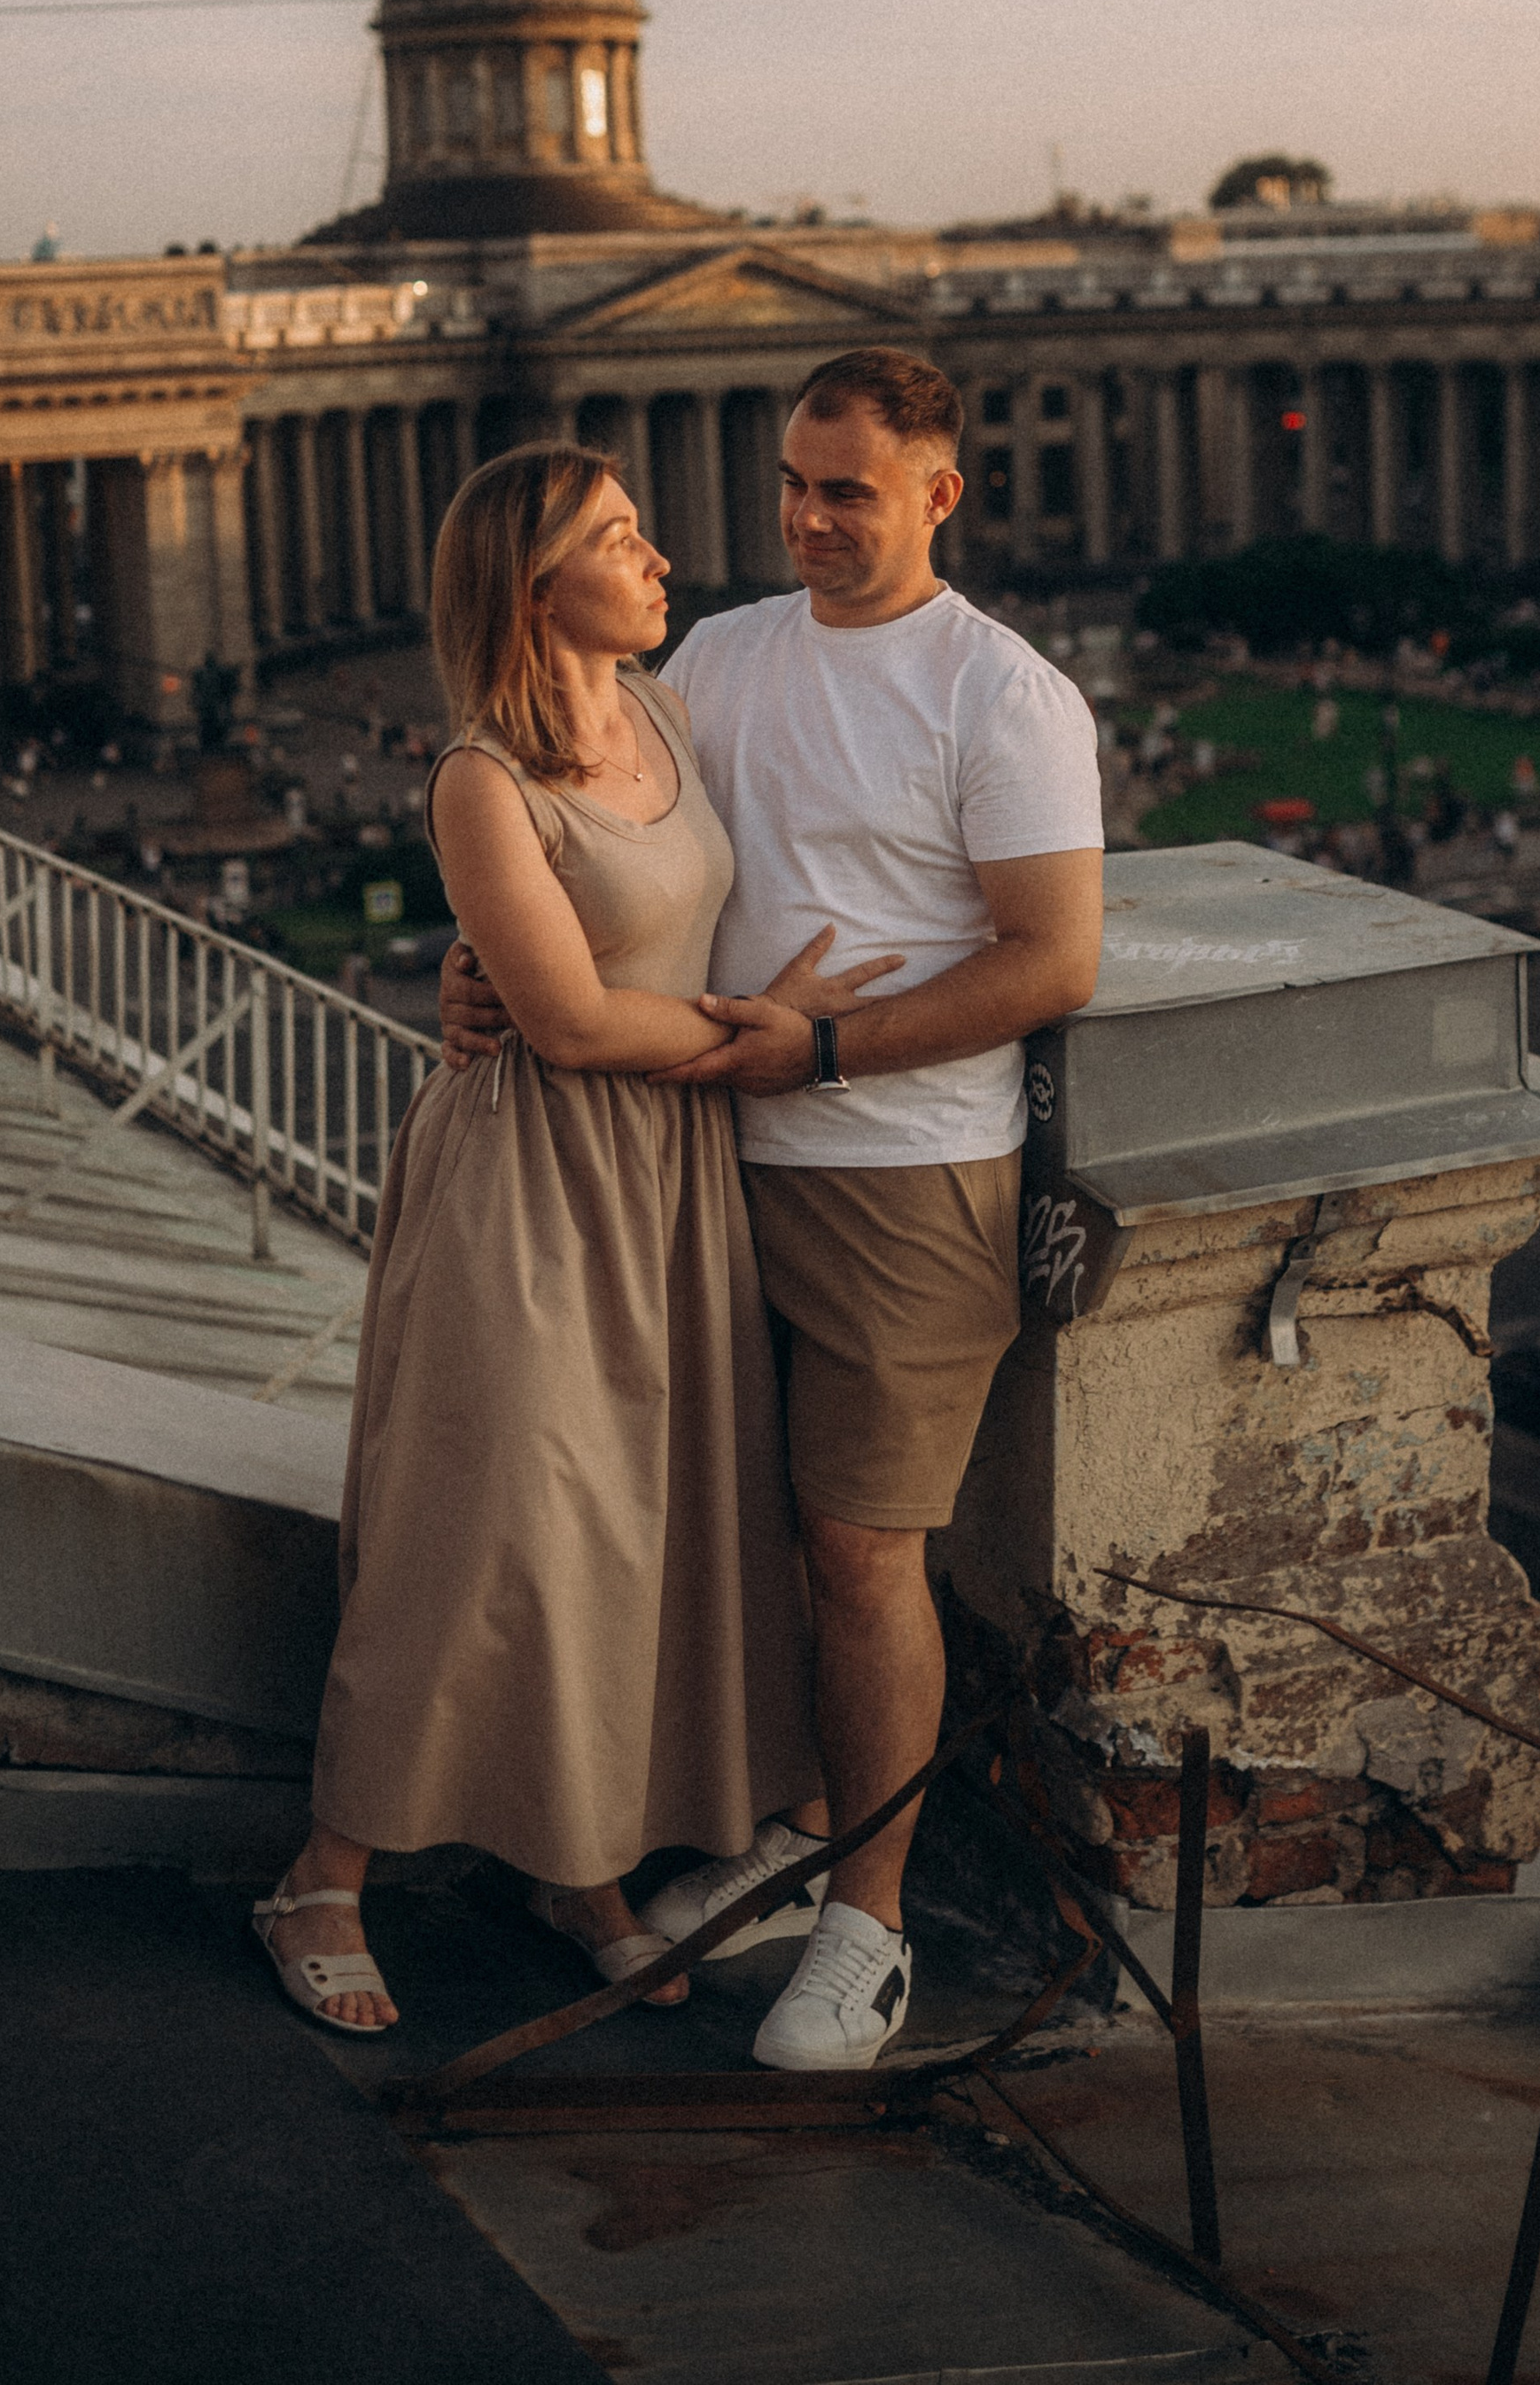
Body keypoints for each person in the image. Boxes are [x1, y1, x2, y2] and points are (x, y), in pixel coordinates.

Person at [444, 347, 1103, 2069]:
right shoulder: (713, 659)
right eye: (793, 486)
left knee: (864, 1557)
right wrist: (482, 964)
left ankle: (868, 1932)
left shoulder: (1003, 697)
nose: (807, 519)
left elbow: (1053, 961)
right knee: (749, 1543)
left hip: (906, 1175)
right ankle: (803, 1831)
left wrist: (820, 1049)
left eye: (849, 492)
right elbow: (583, 826)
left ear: (939, 496)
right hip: (700, 1170)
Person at [253, 447, 873, 2036]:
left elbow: (644, 949)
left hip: (672, 1179)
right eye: (618, 537)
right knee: (485, 1532)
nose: (659, 556)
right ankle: (323, 1876)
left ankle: (581, 1869)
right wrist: (770, 1031)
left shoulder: (666, 712)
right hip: (532, 1185)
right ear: (536, 590)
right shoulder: (481, 778)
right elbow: (571, 1020)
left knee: (631, 1537)